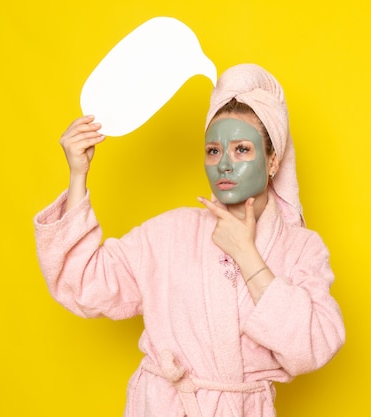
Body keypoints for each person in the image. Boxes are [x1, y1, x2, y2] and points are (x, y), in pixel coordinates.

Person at [34, 63, 345, 417]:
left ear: (273, 160)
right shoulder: (170, 233)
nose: (224, 164)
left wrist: (246, 255)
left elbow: (314, 345)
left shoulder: (301, 248)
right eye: (214, 151)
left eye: (242, 149)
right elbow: (83, 283)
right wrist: (78, 175)